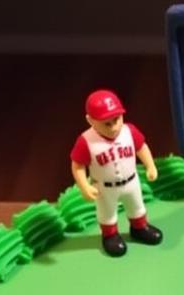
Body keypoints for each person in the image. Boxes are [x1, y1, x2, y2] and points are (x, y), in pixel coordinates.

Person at [70, 89, 163, 257]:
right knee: (107, 213)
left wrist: (150, 166)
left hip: (131, 181)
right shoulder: (86, 141)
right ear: (91, 120)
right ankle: (110, 236)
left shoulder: (129, 131)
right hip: (104, 187)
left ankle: (139, 228)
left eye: (117, 119)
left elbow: (142, 147)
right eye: (107, 123)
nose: (114, 127)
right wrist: (84, 186)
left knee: (137, 207)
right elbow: (77, 165)